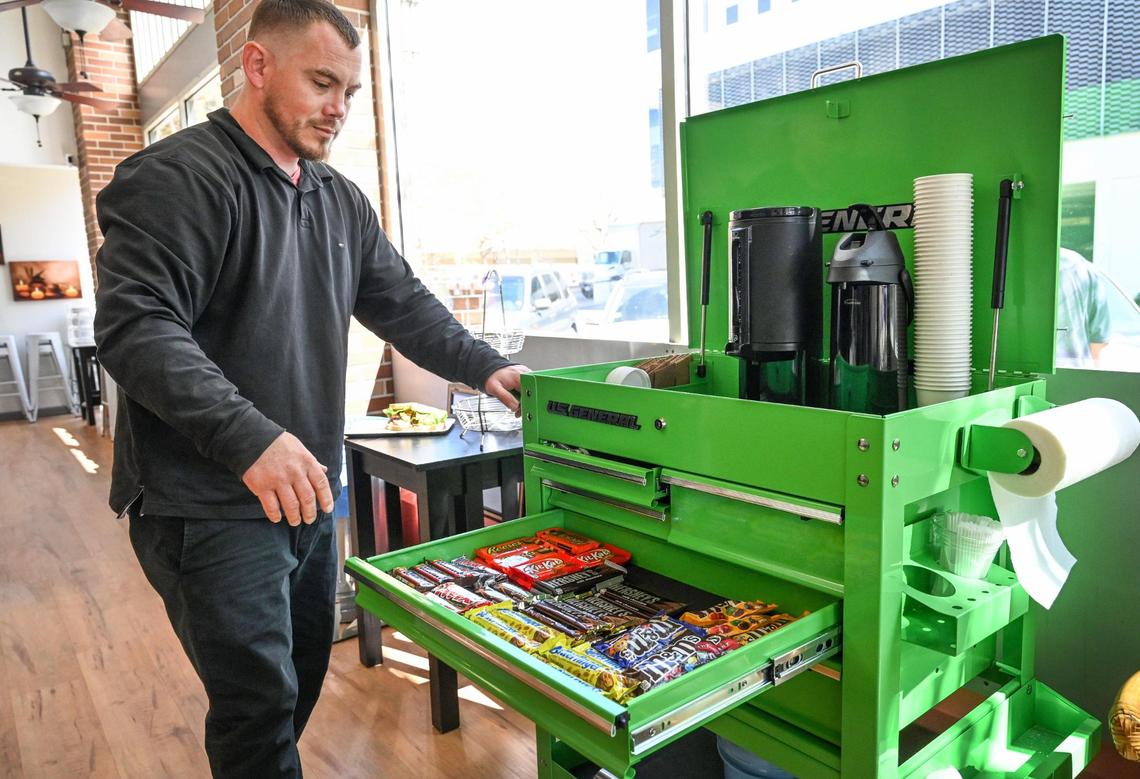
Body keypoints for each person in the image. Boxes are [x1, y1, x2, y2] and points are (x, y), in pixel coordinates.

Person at [93, 0, 526, 775]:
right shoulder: (177, 178)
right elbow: (137, 329)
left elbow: (405, 304)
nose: (339, 108)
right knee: (257, 712)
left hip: (308, 497)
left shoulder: (337, 199)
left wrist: (487, 365)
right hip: (209, 503)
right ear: (257, 66)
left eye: (351, 92)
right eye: (323, 82)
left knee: (297, 686)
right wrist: (251, 437)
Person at [1055, 247, 1110, 368]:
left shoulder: (1016, 264)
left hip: (1025, 377)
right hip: (1078, 374)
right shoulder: (1084, 267)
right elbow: (1098, 343)